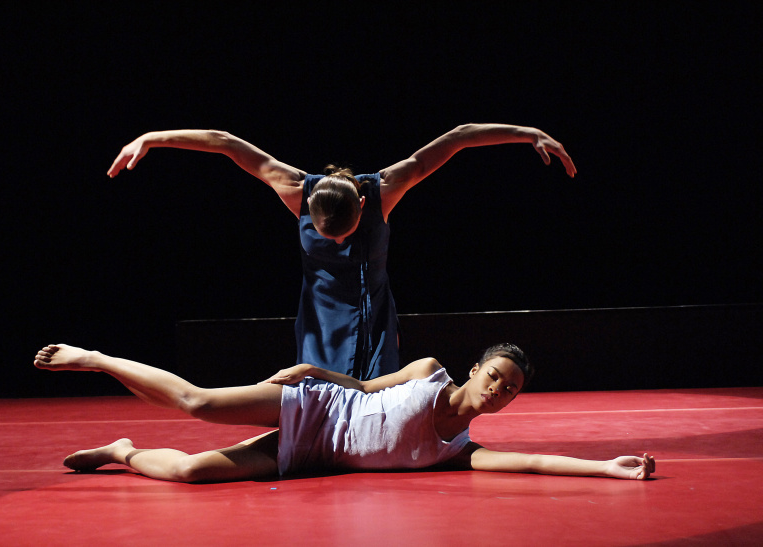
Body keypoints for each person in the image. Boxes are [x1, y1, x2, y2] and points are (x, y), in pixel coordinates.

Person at [107, 124, 577, 380]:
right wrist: (151, 138)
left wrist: (527, 132)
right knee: (314, 387)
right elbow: (227, 145)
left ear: (364, 207)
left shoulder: (386, 188)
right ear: (309, 209)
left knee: (375, 392)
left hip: (373, 307)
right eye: (325, 236)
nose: (337, 244)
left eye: (346, 235)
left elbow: (457, 137)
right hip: (319, 309)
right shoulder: (292, 187)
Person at [33, 342, 654, 483]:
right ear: (476, 370)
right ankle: (94, 357)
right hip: (317, 407)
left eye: (510, 389)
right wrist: (314, 372)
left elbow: (539, 462)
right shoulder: (429, 371)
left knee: (192, 473)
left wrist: (609, 468)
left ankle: (122, 451)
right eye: (496, 376)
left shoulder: (462, 450)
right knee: (199, 402)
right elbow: (362, 384)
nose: (499, 390)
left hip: (310, 456)